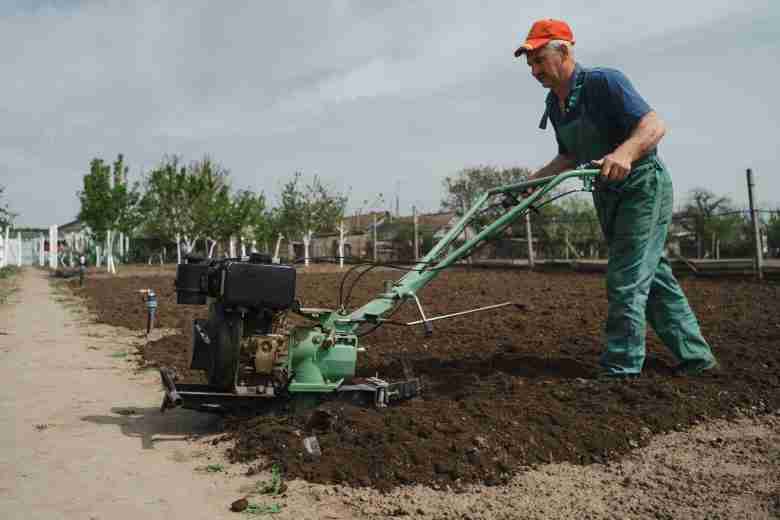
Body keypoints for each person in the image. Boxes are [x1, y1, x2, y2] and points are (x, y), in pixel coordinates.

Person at [515, 19, 717, 378]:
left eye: (539, 60)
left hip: (641, 185)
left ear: (563, 51)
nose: (533, 70)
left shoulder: (604, 82)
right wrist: (530, 184)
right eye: (529, 63)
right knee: (651, 276)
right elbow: (567, 156)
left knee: (626, 277)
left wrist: (624, 153)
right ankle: (697, 358)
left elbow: (653, 125)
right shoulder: (556, 103)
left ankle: (621, 369)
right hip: (606, 193)